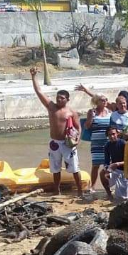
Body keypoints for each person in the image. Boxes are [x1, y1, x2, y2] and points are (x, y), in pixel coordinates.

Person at [30, 67, 83, 197]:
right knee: (55, 168)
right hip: (54, 143)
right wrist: (33, 77)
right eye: (58, 97)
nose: (59, 100)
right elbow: (39, 92)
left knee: (74, 168)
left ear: (67, 100)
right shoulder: (51, 107)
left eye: (62, 98)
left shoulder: (71, 112)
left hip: (67, 143)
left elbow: (78, 127)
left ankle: (80, 190)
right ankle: (56, 190)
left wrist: (77, 140)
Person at [82, 92, 113, 195]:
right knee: (95, 165)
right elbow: (86, 127)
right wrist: (90, 118)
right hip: (96, 142)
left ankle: (109, 186)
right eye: (102, 100)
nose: (105, 102)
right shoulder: (92, 112)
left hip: (108, 142)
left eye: (106, 99)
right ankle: (93, 186)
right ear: (97, 101)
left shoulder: (109, 112)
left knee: (108, 165)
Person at [101, 126, 128, 201]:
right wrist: (107, 168)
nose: (112, 136)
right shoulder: (107, 145)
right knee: (102, 173)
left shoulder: (124, 143)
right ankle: (109, 194)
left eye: (113, 134)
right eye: (109, 135)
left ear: (118, 133)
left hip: (126, 170)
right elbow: (106, 161)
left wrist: (118, 164)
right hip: (115, 170)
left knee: (123, 198)